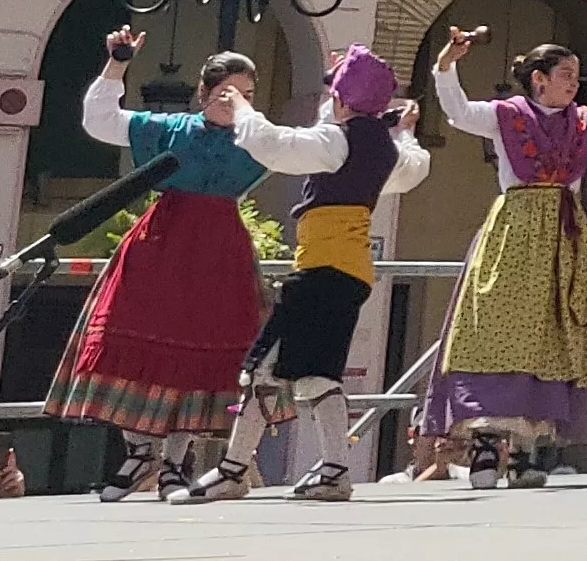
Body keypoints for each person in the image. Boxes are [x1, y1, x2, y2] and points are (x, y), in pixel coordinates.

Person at [179, 43, 430, 504]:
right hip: (350, 271)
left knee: (261, 367)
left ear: (342, 100)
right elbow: (412, 166)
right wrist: (406, 132)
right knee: (319, 374)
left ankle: (234, 471)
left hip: (321, 268)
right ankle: (335, 469)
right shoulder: (382, 148)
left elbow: (276, 146)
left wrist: (241, 107)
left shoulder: (338, 141)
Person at [424, 22, 587, 488]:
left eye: (576, 76)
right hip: (514, 235)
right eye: (565, 74)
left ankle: (528, 446)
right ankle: (484, 440)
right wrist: (446, 65)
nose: (574, 83)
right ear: (538, 78)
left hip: (563, 240)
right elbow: (456, 112)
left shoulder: (585, 123)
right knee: (494, 328)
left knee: (551, 335)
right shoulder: (504, 116)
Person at [52, 35, 267, 503]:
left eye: (248, 95)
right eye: (230, 92)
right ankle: (139, 453)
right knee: (135, 337)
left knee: (200, 348)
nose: (239, 103)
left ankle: (175, 460)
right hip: (162, 244)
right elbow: (101, 120)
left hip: (219, 253)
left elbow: (316, 148)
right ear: (205, 91)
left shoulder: (257, 137)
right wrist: (116, 64)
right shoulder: (166, 128)